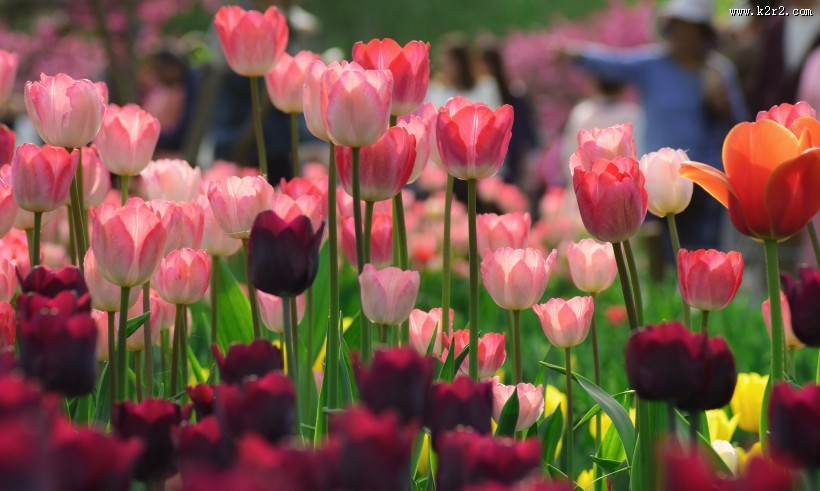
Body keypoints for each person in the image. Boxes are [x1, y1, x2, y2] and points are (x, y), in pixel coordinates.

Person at [561, 0, 748, 254]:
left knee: (701, 255)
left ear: (703, 33)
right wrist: (577, 55)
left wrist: (722, 104)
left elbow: (740, 126)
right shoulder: (653, 65)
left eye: (690, 28)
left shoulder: (717, 72)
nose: (682, 35)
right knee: (661, 258)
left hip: (703, 179)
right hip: (658, 179)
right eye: (677, 27)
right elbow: (615, 64)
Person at [426, 33, 501, 108]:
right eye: (445, 64)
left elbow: (494, 111)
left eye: (452, 63)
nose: (447, 68)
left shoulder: (487, 86)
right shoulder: (435, 91)